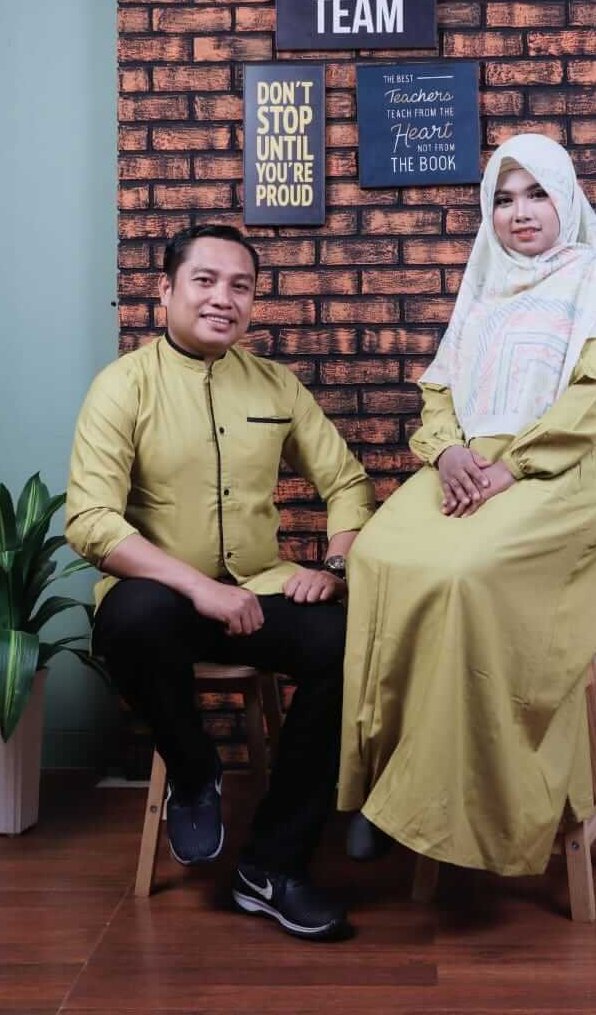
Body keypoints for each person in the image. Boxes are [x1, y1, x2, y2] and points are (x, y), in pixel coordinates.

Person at [338, 133, 596, 878]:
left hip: (571, 466)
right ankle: (378, 784)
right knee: (378, 557)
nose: (520, 213)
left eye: (537, 194)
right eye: (504, 199)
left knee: (464, 575)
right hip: (476, 462)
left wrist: (513, 466)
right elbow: (440, 389)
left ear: (566, 199)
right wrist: (448, 453)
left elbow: (595, 401)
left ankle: (440, 804)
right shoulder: (484, 286)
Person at [66, 223, 375, 941]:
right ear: (164, 290)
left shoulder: (274, 384)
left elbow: (348, 483)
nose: (222, 298)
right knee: (132, 619)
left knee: (347, 644)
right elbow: (90, 520)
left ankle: (272, 867)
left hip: (259, 591)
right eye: (204, 280)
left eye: (240, 286)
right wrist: (199, 589)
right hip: (159, 602)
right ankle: (193, 767)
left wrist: (333, 567)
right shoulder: (122, 387)